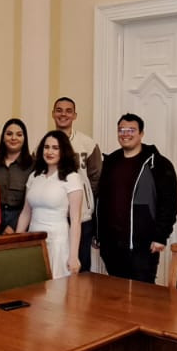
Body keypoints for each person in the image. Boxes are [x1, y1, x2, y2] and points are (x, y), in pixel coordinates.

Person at [94, 113, 177, 283]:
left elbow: (169, 203)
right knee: (115, 290)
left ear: (141, 134)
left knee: (143, 292)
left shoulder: (158, 164)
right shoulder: (110, 162)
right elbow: (100, 200)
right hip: (112, 245)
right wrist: (98, 234)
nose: (125, 134)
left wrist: (160, 236)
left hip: (143, 246)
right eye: (121, 130)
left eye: (131, 130)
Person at [16, 131, 85, 278]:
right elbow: (25, 213)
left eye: (55, 148)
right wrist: (16, 242)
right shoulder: (34, 176)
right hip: (33, 242)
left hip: (57, 242)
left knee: (56, 289)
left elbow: (75, 220)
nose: (50, 152)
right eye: (46, 147)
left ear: (64, 151)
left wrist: (74, 256)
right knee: (32, 287)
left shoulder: (72, 178)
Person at [53, 97, 103, 271]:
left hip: (82, 216)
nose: (63, 114)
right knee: (56, 265)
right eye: (59, 110)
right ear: (53, 114)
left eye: (68, 111)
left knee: (80, 266)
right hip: (54, 215)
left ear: (75, 115)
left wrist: (86, 199)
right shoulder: (44, 144)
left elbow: (96, 177)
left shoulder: (88, 143)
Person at [0, 118, 33, 234]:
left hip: (21, 219)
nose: (13, 138)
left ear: (24, 139)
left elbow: (31, 202)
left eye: (19, 135)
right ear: (3, 138)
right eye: (9, 134)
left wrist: (13, 226)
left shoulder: (33, 165)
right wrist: (1, 225)